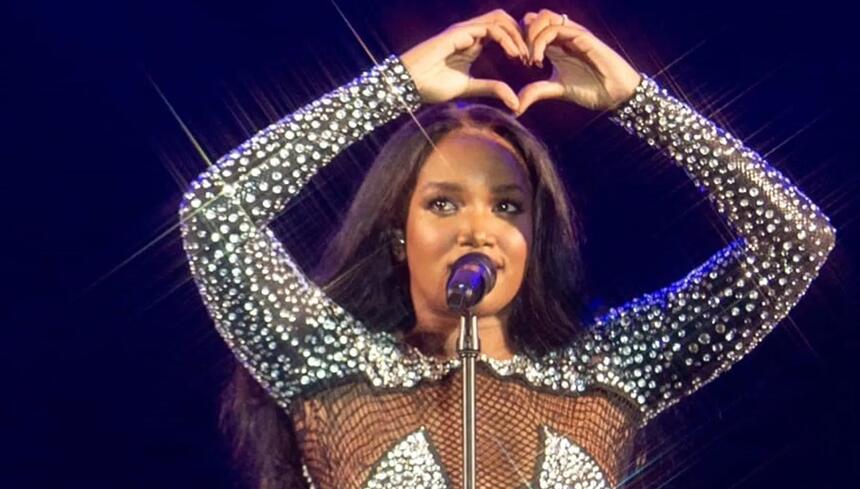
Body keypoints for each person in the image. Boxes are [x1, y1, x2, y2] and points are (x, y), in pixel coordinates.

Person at [179, 8, 836, 489]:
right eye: (442, 203)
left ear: (533, 238)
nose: (477, 227)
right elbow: (216, 213)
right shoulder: (330, 366)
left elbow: (794, 242)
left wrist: (638, 100)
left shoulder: (607, 371)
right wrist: (393, 87)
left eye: (507, 205)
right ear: (397, 238)